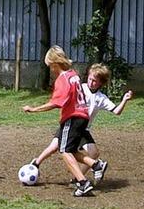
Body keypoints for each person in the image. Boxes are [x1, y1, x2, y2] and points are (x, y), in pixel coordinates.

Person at [22, 46, 108, 197]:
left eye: (50, 66)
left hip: (72, 118)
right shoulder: (73, 74)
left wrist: (34, 109)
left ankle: (82, 183)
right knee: (73, 150)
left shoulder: (62, 79)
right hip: (83, 117)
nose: (50, 69)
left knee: (64, 151)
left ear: (55, 63)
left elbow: (55, 103)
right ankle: (96, 164)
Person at [30, 63, 133, 186]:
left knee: (93, 153)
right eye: (90, 79)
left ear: (101, 83)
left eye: (95, 81)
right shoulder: (81, 87)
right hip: (71, 123)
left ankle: (78, 178)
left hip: (83, 128)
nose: (91, 82)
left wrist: (124, 100)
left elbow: (116, 111)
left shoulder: (101, 98)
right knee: (54, 147)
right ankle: (35, 163)